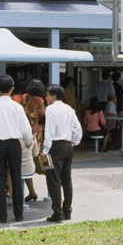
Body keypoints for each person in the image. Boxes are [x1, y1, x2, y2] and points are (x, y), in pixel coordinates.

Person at [0, 75, 33, 224]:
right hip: (14, 144)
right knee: (17, 178)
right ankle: (18, 214)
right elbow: (26, 129)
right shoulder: (17, 107)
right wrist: (28, 141)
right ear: (12, 89)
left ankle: (2, 215)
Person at [41, 84, 83, 223]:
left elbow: (49, 130)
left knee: (53, 180)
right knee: (66, 179)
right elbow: (78, 128)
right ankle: (67, 210)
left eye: (47, 95)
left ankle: (57, 212)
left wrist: (45, 150)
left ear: (54, 96)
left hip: (54, 146)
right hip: (67, 145)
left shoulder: (50, 109)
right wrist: (73, 143)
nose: (46, 97)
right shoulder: (69, 109)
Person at [18, 79, 46, 202]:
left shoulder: (24, 98)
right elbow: (42, 115)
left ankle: (31, 191)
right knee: (38, 158)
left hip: (24, 131)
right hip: (37, 131)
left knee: (25, 160)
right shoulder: (40, 101)